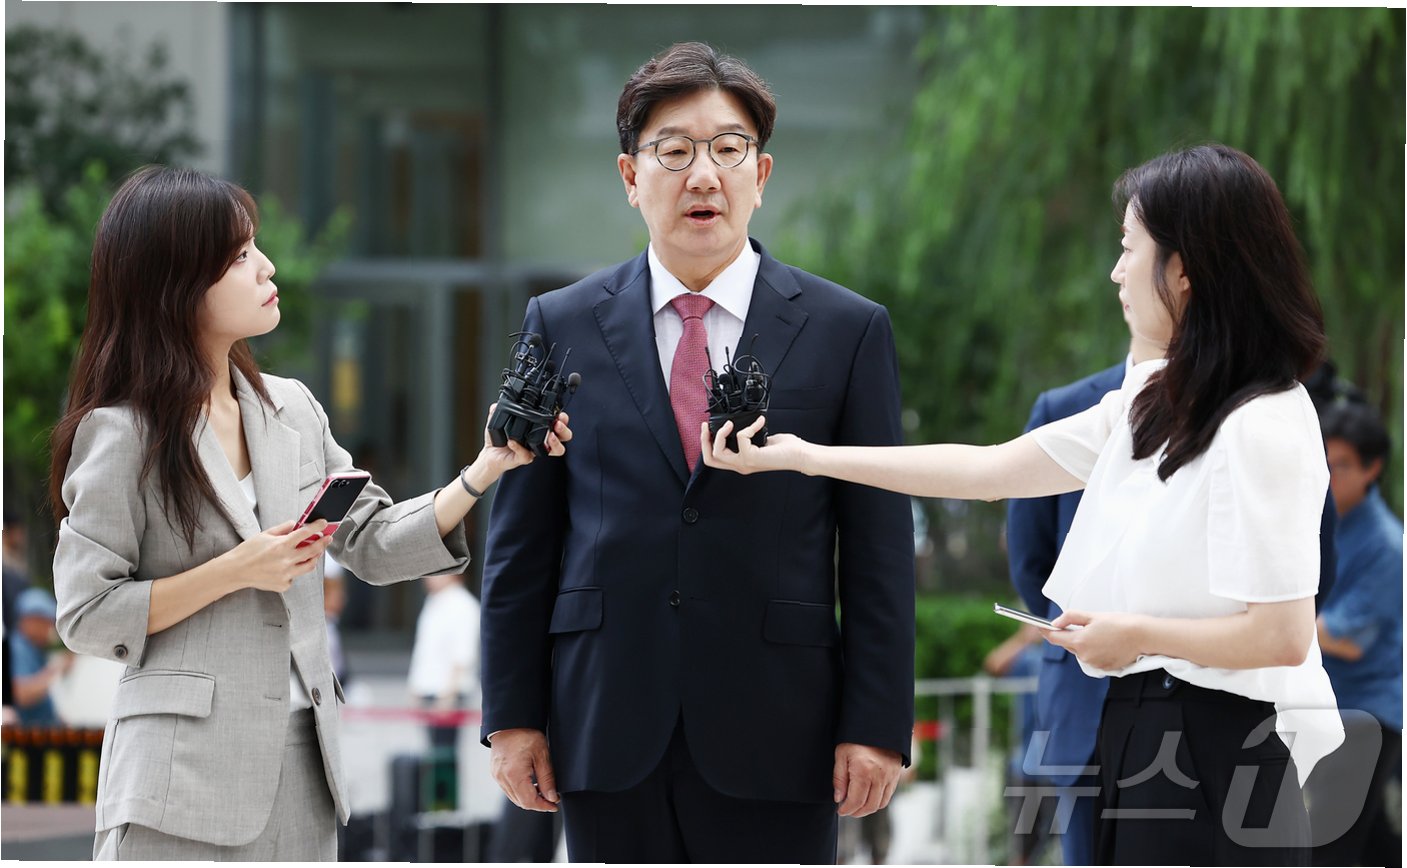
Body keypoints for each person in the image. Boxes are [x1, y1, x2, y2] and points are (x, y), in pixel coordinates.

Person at [704, 143, 1344, 865]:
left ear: (1184, 269)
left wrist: (1136, 634)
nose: (1116, 272)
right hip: (1140, 724)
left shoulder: (1262, 420)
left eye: (1128, 248)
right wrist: (805, 456)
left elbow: (1280, 634)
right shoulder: (1154, 401)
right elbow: (990, 469)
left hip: (1224, 741)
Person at [49, 165, 570, 861]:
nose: (265, 266)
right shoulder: (123, 433)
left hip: (304, 773)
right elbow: (86, 613)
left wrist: (484, 470)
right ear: (176, 282)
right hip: (175, 785)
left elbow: (373, 543)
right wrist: (237, 569)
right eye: (239, 255)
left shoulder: (291, 409)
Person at [480, 41, 916, 863]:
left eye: (727, 149)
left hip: (781, 728)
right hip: (605, 724)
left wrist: (876, 723)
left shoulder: (846, 330)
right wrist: (512, 717)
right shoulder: (560, 323)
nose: (703, 175)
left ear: (762, 173)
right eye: (674, 151)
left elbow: (878, 547)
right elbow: (521, 543)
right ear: (629, 175)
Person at [1006, 333, 1340, 865]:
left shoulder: (1264, 412)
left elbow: (1304, 575)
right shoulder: (1098, 403)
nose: (1120, 287)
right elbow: (1029, 555)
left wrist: (1170, 636)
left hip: (1217, 712)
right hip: (1094, 706)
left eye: (1130, 255)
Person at [1306, 399, 1402, 865]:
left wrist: (1268, 623)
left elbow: (1346, 640)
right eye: (1322, 462)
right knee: (1371, 840)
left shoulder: (1386, 545)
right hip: (1330, 703)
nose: (1327, 476)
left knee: (1330, 844)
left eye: (1340, 465)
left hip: (1365, 712)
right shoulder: (1322, 520)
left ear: (1372, 468)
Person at [407, 570, 481, 809]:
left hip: (448, 694)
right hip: (429, 689)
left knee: (445, 754)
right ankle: (434, 806)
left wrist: (449, 694)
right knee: (433, 753)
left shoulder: (463, 605)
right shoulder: (434, 602)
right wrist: (415, 688)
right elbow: (424, 649)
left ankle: (445, 808)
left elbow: (463, 654)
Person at [8, 587, 71, 726]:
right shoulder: (17, 648)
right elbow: (21, 695)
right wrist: (56, 669)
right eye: (46, 623)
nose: (50, 628)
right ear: (30, 621)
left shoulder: (34, 650)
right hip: (26, 734)